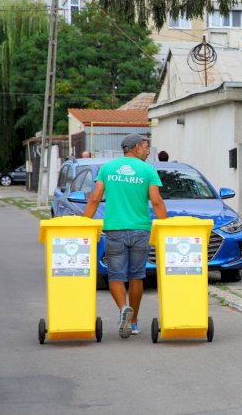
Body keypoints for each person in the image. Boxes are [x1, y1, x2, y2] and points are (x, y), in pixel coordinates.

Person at [84, 133, 167, 338]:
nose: (148, 151)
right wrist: (166, 227)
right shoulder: (148, 170)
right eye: (146, 147)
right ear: (136, 147)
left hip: (114, 230)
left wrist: (83, 223)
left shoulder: (107, 169)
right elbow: (156, 201)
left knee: (115, 275)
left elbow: (95, 199)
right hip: (140, 230)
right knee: (137, 276)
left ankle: (123, 309)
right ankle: (135, 321)